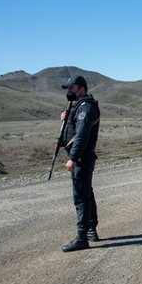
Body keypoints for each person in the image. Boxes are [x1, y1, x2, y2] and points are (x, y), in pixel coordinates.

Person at [60, 75, 101, 252]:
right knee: (86, 193)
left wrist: (73, 158)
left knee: (81, 198)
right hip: (81, 157)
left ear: (81, 89)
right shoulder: (77, 107)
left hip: (82, 158)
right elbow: (72, 130)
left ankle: (82, 237)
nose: (69, 92)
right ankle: (91, 229)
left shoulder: (86, 107)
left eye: (72, 88)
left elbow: (82, 136)